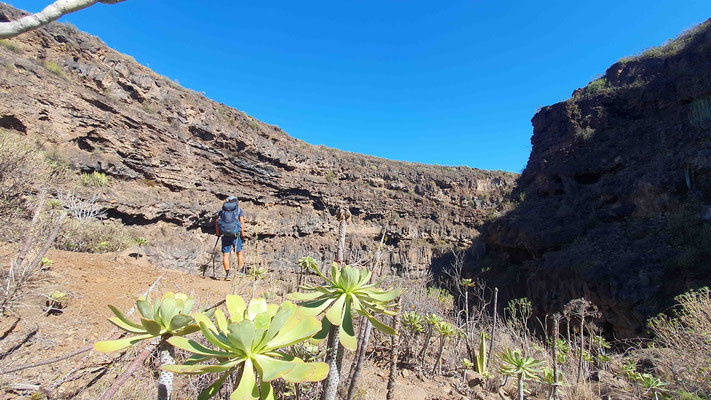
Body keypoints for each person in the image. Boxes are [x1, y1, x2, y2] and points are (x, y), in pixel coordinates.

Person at [215, 196, 245, 279]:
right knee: (239, 253)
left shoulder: (222, 211)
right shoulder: (239, 210)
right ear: (236, 202)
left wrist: (218, 233)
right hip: (236, 235)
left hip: (225, 235)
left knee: (226, 254)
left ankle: (227, 274)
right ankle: (241, 272)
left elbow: (217, 221)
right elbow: (242, 223)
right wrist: (242, 235)